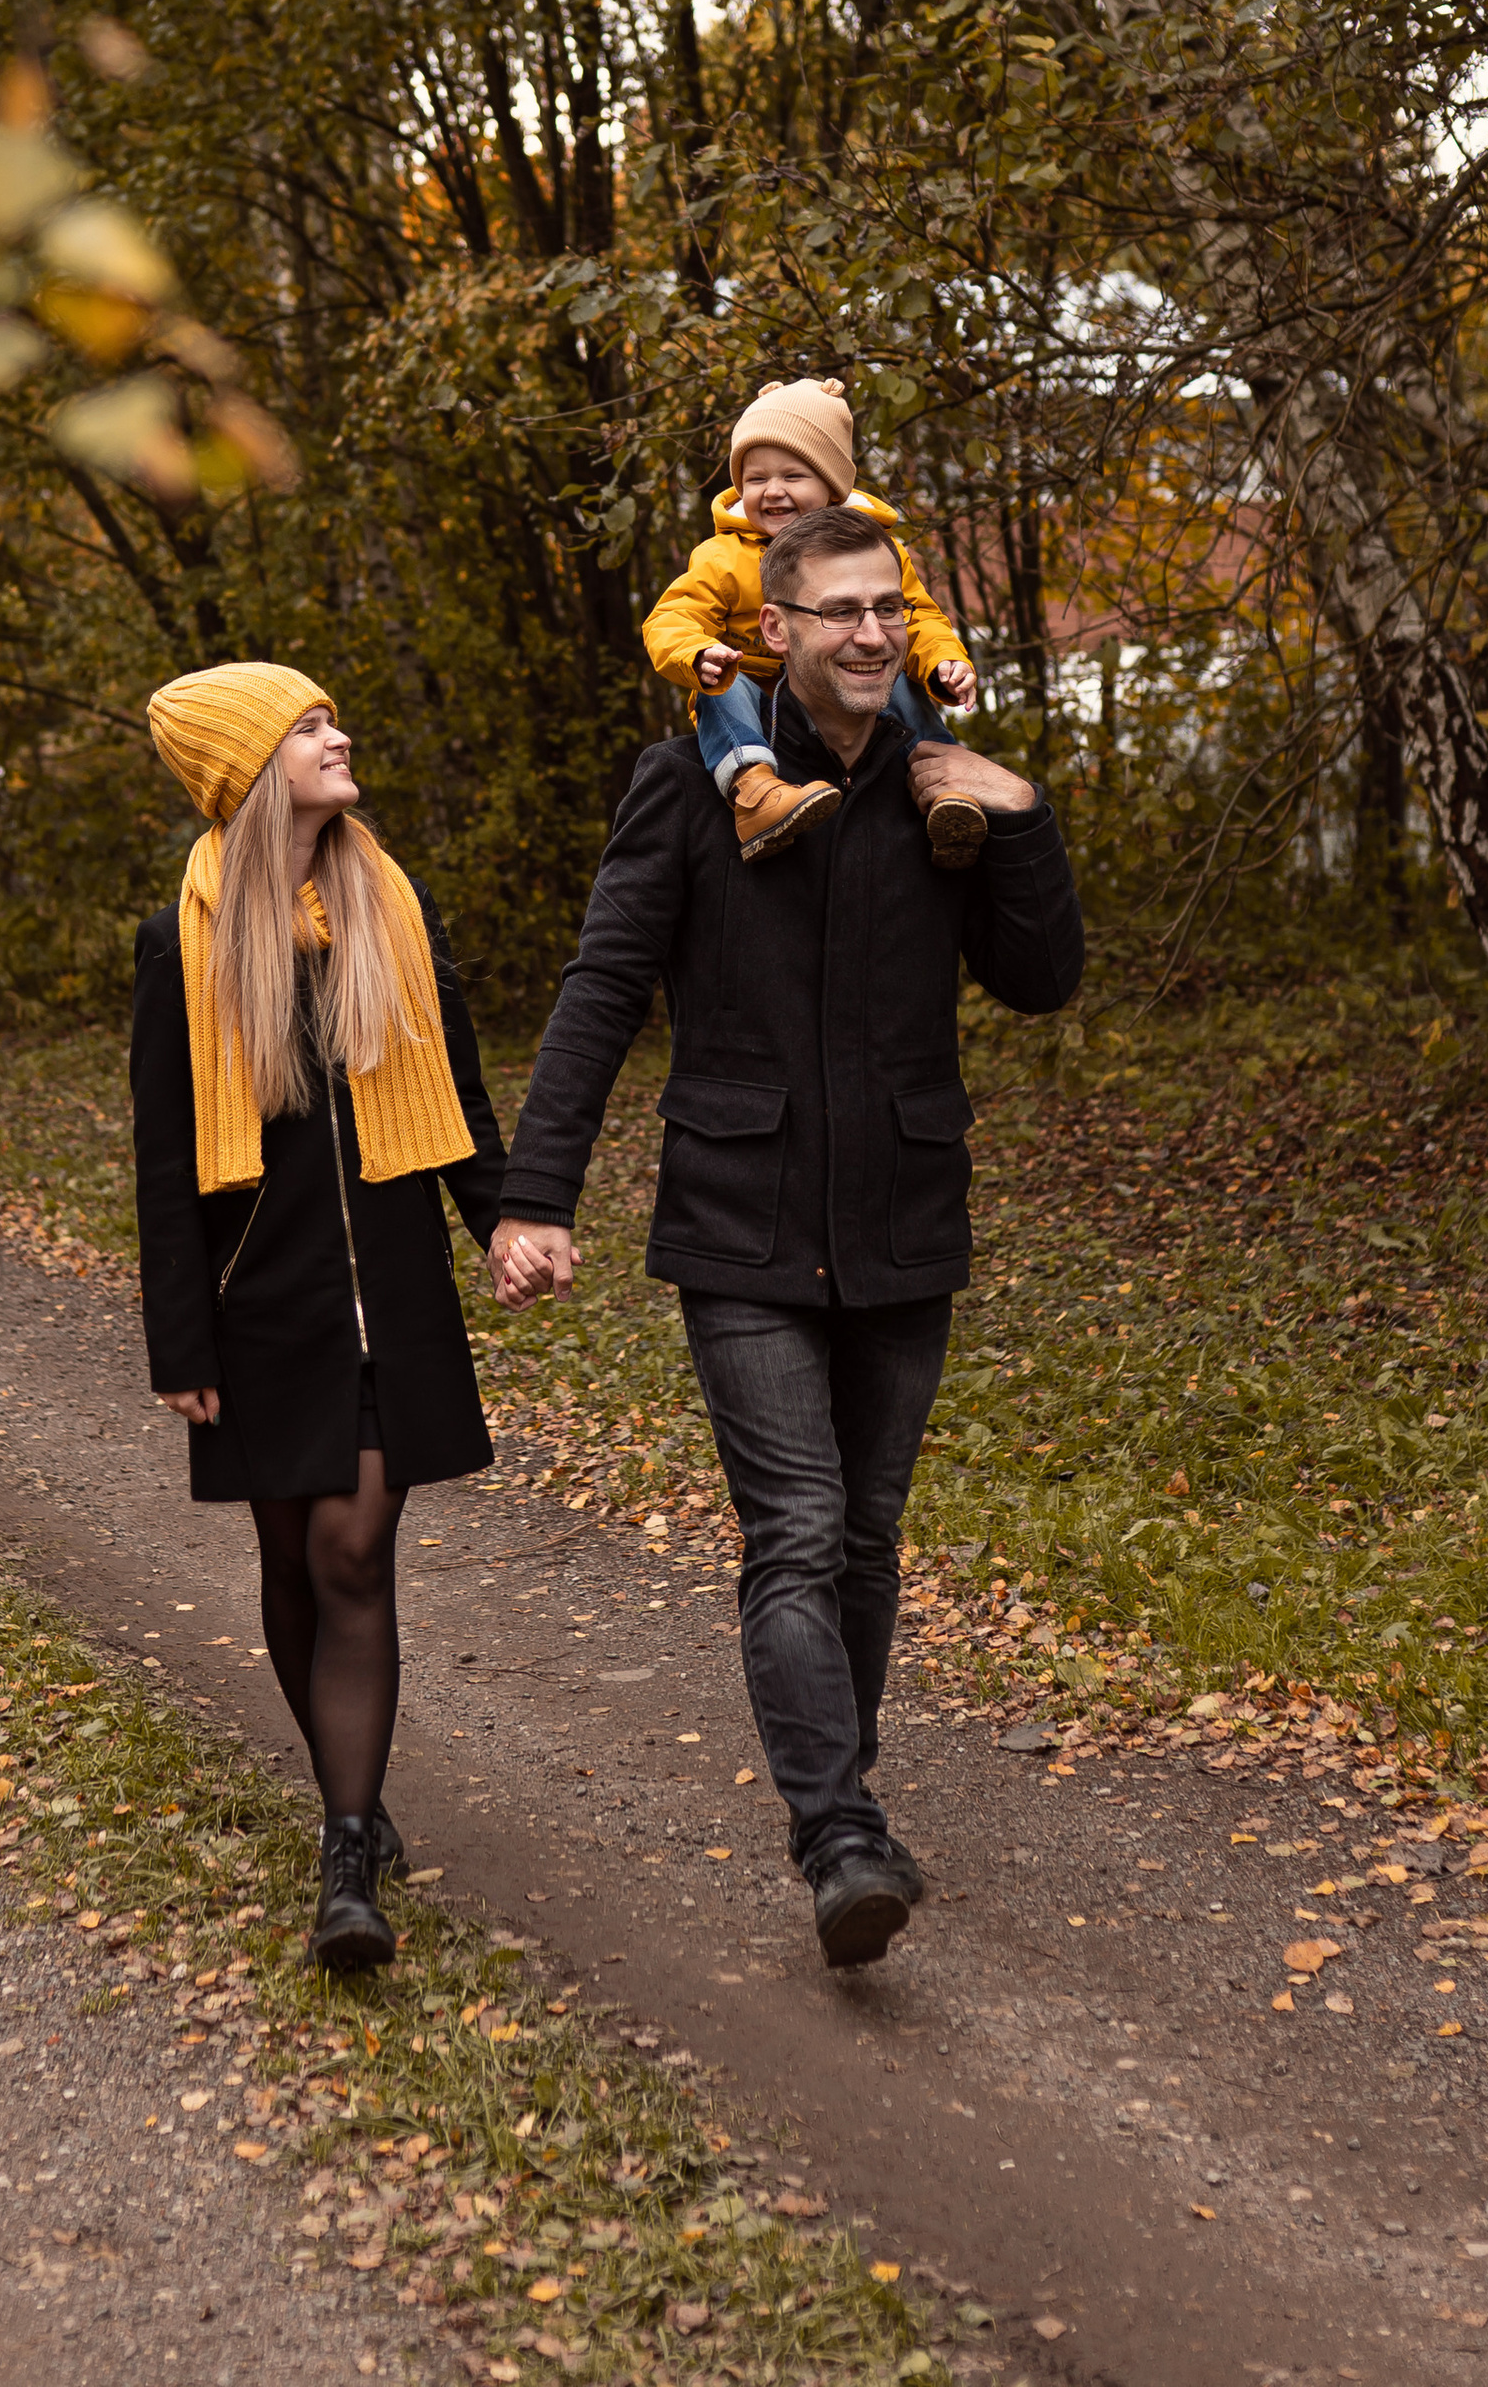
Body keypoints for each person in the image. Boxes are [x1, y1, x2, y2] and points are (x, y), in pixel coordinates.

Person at [491, 504, 1084, 1970]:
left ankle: (846, 1791)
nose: (873, 633)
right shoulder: (692, 787)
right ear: (776, 630)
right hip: (740, 1224)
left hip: (901, 1216)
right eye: (839, 612)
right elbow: (603, 989)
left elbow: (1041, 981)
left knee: (868, 1542)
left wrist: (1021, 818)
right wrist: (534, 1191)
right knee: (799, 1531)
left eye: (890, 607)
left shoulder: (940, 791)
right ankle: (835, 1837)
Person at [131, 660, 506, 1975]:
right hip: (260, 1308)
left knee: (353, 1552)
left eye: (334, 717)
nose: (340, 736)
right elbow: (166, 1152)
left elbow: (454, 1080)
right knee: (291, 1564)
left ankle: (348, 1848)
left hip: (385, 1298)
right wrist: (179, 1340)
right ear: (252, 774)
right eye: (310, 727)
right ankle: (349, 1793)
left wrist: (505, 1217)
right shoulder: (183, 938)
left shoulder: (388, 904)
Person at [644, 375, 983, 868]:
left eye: (793, 476)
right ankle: (755, 791)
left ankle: (947, 785)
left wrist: (945, 663)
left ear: (831, 485)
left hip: (840, 685)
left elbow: (918, 618)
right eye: (756, 479)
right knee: (723, 688)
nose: (772, 491)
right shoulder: (723, 557)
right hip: (757, 694)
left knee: (899, 676)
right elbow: (671, 616)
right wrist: (697, 653)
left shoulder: (873, 553)